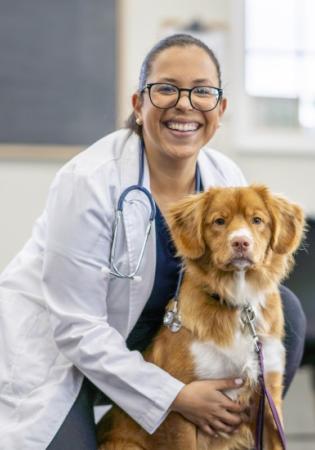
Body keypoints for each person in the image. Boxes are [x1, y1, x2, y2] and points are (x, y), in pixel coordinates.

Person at [0, 34, 306, 450]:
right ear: (138, 104)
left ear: (220, 108)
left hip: (155, 342)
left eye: (202, 91)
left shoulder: (224, 175)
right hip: (61, 354)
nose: (184, 104)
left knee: (285, 307)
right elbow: (76, 328)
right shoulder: (88, 181)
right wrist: (177, 397)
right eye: (166, 89)